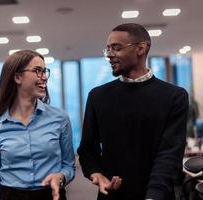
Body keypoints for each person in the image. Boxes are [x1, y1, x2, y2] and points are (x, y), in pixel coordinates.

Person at [77, 23, 189, 200]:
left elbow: (169, 155)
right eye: (108, 49)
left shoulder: (174, 96)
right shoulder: (98, 96)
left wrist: (153, 195)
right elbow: (87, 149)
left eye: (116, 48)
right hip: (111, 195)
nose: (110, 55)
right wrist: (96, 173)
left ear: (141, 48)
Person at [0, 50, 75, 200]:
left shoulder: (60, 118)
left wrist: (61, 176)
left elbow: (69, 166)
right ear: (17, 77)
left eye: (45, 71)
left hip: (50, 195)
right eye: (38, 71)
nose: (44, 77)